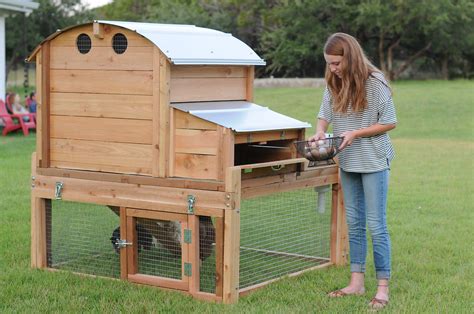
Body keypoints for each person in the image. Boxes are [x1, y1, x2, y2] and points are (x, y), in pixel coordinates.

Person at [309, 33, 397, 310]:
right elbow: (325, 115)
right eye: (329, 63)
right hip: (347, 161)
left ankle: (383, 287)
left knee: (376, 225)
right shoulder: (333, 81)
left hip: (373, 160)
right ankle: (356, 283)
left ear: (350, 56)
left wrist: (356, 132)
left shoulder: (375, 82)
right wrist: (320, 132)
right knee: (354, 224)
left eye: (336, 63)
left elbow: (390, 122)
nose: (332, 68)